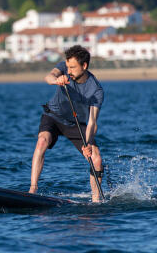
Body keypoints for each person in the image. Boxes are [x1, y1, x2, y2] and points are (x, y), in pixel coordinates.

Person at [29, 45, 104, 202]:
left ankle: (96, 199)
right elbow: (48, 77)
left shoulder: (96, 90)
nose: (69, 71)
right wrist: (57, 80)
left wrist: (88, 143)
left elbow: (92, 123)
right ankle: (33, 190)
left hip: (76, 124)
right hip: (53, 116)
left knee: (96, 158)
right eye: (67, 67)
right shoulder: (64, 67)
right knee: (42, 141)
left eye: (73, 67)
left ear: (84, 66)